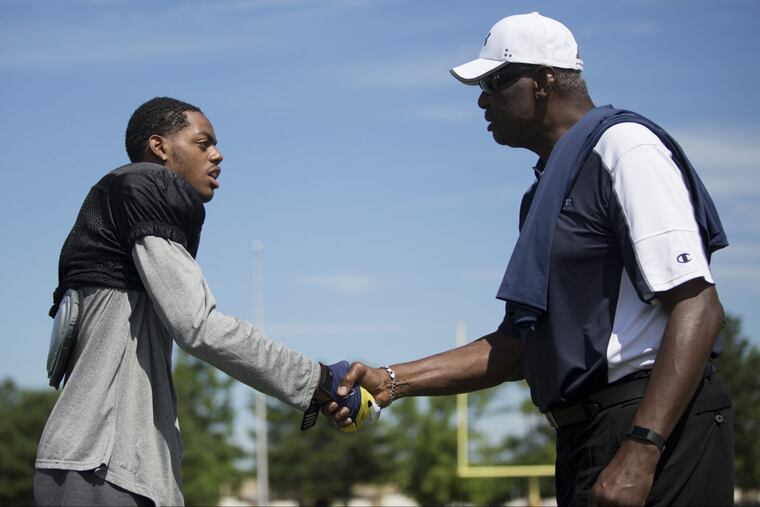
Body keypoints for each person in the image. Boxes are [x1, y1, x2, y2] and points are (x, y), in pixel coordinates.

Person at [327, 12, 734, 506]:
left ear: (543, 82)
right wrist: (393, 381)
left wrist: (642, 447)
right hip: (592, 435)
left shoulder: (625, 147)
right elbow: (521, 346)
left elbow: (699, 307)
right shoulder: (546, 188)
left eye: (495, 82)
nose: (482, 99)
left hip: (653, 424)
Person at [35, 97, 373, 507]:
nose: (218, 154)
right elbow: (197, 326)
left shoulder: (109, 212)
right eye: (202, 143)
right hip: (107, 467)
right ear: (159, 147)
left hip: (77, 463)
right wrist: (318, 380)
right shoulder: (146, 185)